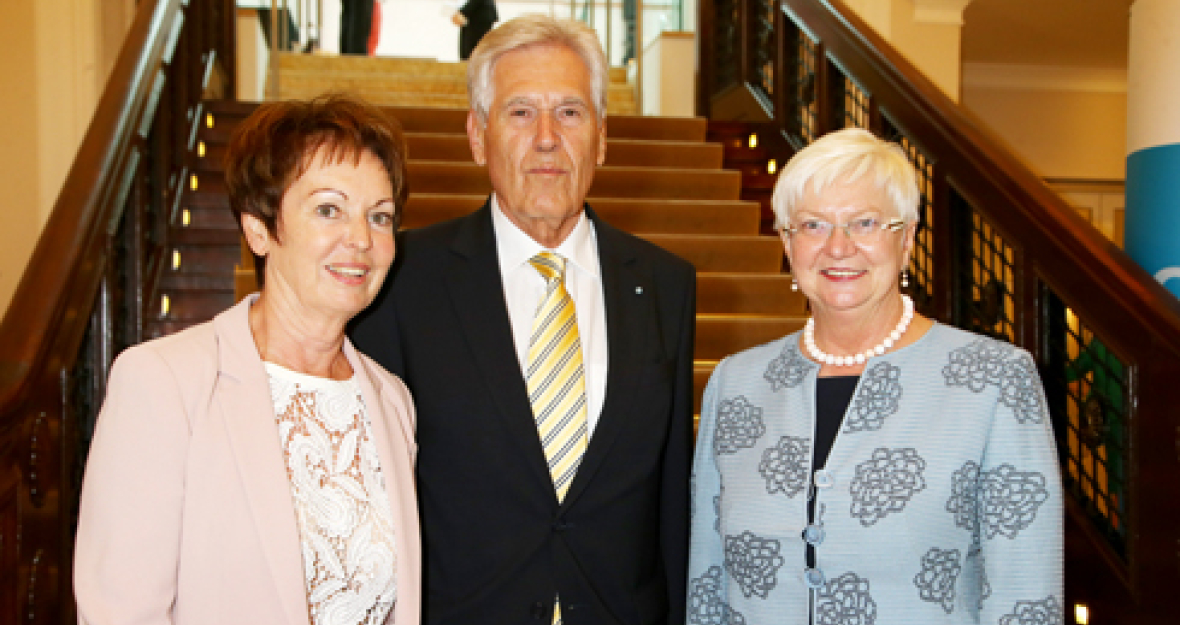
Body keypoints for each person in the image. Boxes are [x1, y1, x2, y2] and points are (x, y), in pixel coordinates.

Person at [352, 15, 695, 625]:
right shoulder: (403, 280)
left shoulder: (666, 285)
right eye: (519, 113)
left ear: (602, 136)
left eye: (569, 112)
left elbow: (669, 504)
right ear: (477, 136)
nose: (546, 138)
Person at [687, 128, 1062, 624]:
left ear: (906, 239)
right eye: (813, 226)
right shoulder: (737, 384)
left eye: (865, 223)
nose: (838, 247)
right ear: (787, 242)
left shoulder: (994, 381)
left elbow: (1024, 599)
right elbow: (708, 584)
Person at [74, 95, 420, 625]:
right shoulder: (163, 382)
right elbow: (121, 611)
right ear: (259, 227)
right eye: (329, 209)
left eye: (380, 216)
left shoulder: (390, 398)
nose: (361, 240)